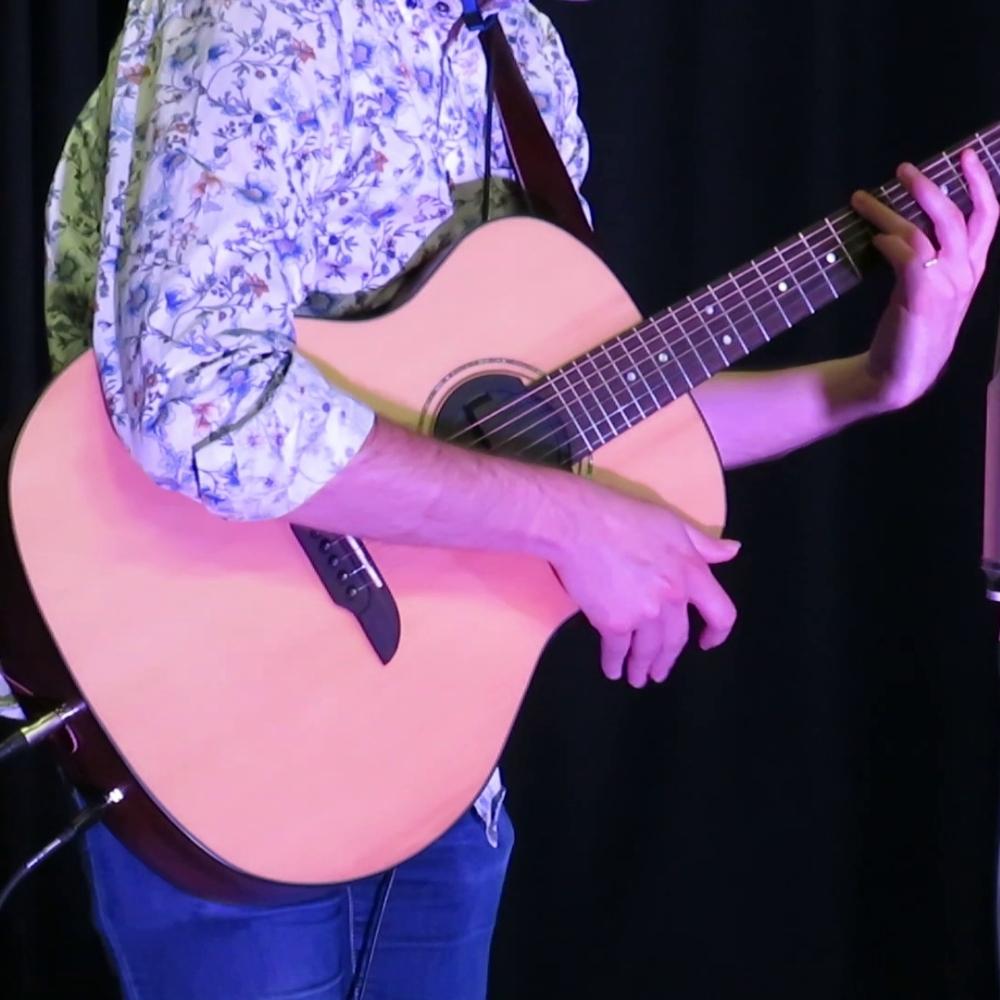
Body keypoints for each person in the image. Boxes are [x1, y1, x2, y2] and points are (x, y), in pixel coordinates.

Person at [34, 1, 998, 997]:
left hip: (438, 754)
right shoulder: (253, 19)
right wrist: (568, 520)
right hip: (220, 709)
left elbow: (583, 413)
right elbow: (191, 400)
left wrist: (874, 382)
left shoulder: (518, 50)